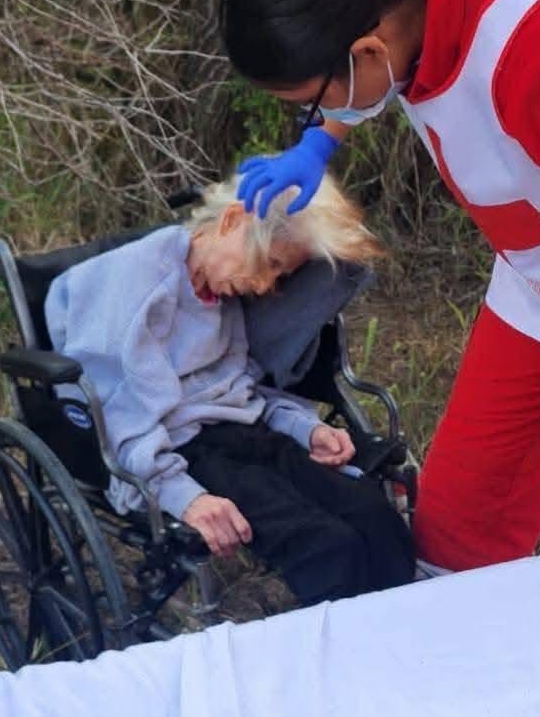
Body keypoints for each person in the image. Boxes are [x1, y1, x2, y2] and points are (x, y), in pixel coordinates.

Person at [218, 0, 540, 578]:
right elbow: (364, 66)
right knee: (460, 524)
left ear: (365, 54)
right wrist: (318, 140)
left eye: (306, 103)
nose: (311, 114)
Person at [44, 172, 415, 606]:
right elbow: (114, 416)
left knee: (375, 517)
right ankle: (351, 663)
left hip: (244, 433)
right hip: (176, 450)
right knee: (328, 547)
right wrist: (185, 497)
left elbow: (241, 388)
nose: (264, 286)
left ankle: (409, 650)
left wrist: (304, 429)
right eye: (272, 265)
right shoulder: (135, 284)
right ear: (231, 221)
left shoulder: (221, 295)